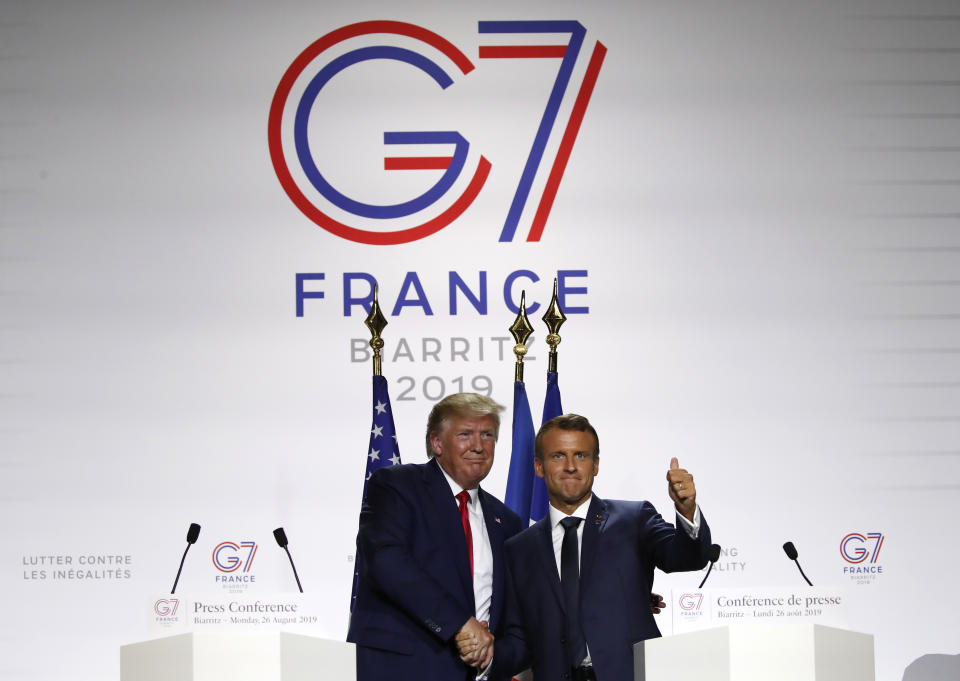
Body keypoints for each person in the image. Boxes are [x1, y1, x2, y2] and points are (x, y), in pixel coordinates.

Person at [462, 413, 712, 681]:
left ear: (595, 465)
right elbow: (520, 638)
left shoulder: (633, 519)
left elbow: (687, 557)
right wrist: (487, 658)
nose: (571, 466)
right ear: (538, 466)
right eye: (558, 456)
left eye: (580, 455)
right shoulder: (519, 549)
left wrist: (686, 510)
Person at [347, 393, 524, 681]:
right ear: (437, 442)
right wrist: (459, 625)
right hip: (401, 670)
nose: (478, 446)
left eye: (487, 435)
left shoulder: (507, 522)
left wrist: (491, 657)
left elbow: (517, 618)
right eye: (465, 434)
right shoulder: (396, 487)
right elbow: (387, 563)